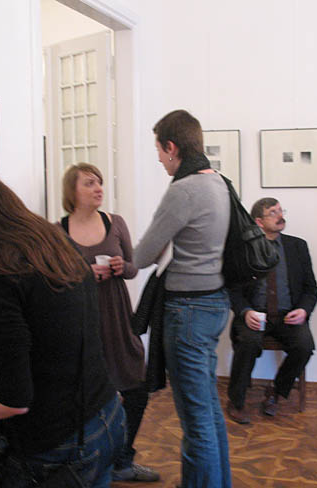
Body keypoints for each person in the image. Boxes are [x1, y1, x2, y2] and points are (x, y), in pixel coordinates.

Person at [0, 160, 124, 487]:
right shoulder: (50, 239)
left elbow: (13, 402)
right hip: (105, 415)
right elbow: (58, 349)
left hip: (61, 443)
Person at [134, 109, 231, 488]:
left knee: (195, 418)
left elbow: (143, 256)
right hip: (214, 302)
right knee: (208, 410)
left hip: (188, 310)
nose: (159, 159)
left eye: (159, 151)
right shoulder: (218, 182)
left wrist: (123, 262)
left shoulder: (184, 190)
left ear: (172, 147)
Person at [60, 163, 159, 483]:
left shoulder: (115, 223)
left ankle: (123, 459)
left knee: (136, 386)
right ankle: (87, 460)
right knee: (86, 393)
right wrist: (84, 274)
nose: (98, 188)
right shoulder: (57, 231)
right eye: (89, 183)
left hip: (117, 316)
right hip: (81, 320)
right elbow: (54, 279)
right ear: (72, 191)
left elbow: (133, 267)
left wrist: (121, 266)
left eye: (99, 182)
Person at [226, 198, 317, 424]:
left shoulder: (297, 246)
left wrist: (303, 310)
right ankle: (236, 401)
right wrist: (245, 311)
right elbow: (232, 289)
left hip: (288, 316)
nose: (280, 216)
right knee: (247, 343)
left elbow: (311, 289)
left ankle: (276, 392)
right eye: (273, 213)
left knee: (304, 346)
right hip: (255, 315)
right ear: (259, 222)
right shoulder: (243, 249)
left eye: (280, 210)